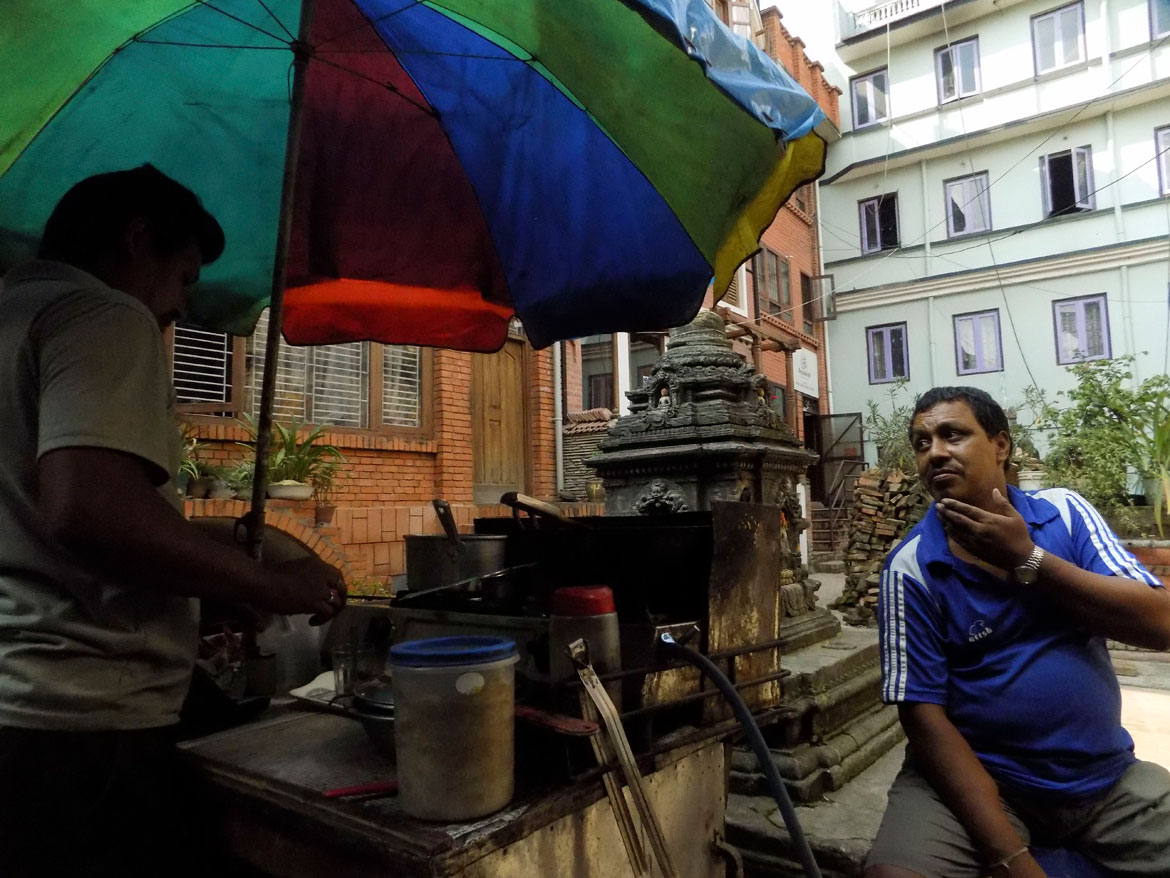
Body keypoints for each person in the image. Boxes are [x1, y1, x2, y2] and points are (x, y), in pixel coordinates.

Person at [0, 165, 348, 876]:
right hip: (86, 720)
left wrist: (212, 574)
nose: (181, 309)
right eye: (184, 277)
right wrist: (273, 585)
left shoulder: (11, 320)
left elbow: (44, 516)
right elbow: (86, 508)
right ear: (136, 240)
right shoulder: (101, 314)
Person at [866, 386, 1170, 878]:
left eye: (953, 435)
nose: (935, 451)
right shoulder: (909, 568)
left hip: (1102, 776)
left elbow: (1160, 624)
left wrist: (1028, 559)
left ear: (1000, 446)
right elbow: (922, 717)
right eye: (922, 442)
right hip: (988, 778)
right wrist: (1010, 859)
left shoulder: (1064, 514)